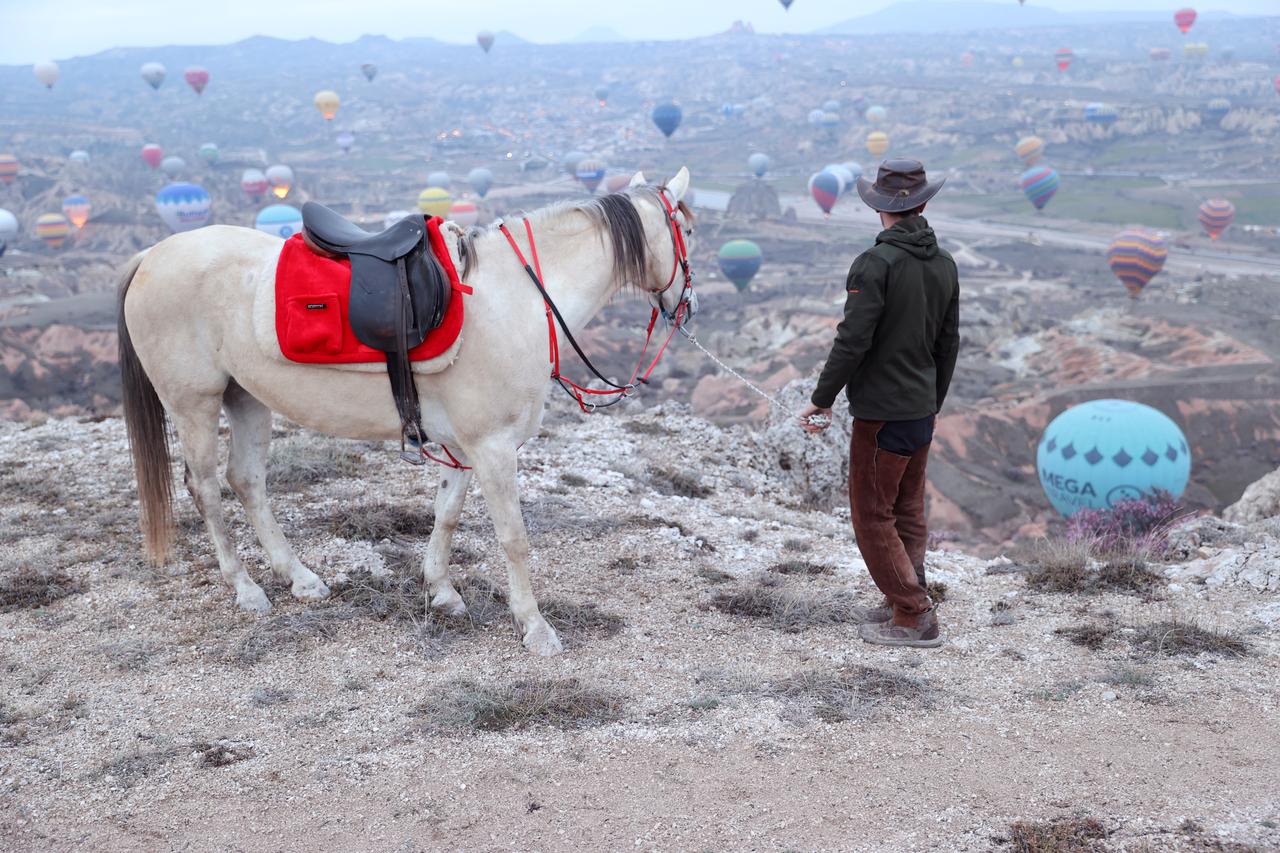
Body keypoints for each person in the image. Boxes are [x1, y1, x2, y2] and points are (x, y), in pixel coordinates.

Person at [797, 159, 960, 649]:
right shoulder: (944, 264)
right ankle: (903, 598)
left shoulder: (875, 264)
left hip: (881, 414)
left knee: (872, 514)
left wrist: (821, 399)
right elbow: (948, 343)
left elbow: (853, 341)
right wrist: (931, 401)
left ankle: (913, 613)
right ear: (923, 205)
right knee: (907, 511)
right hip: (919, 410)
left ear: (878, 208)